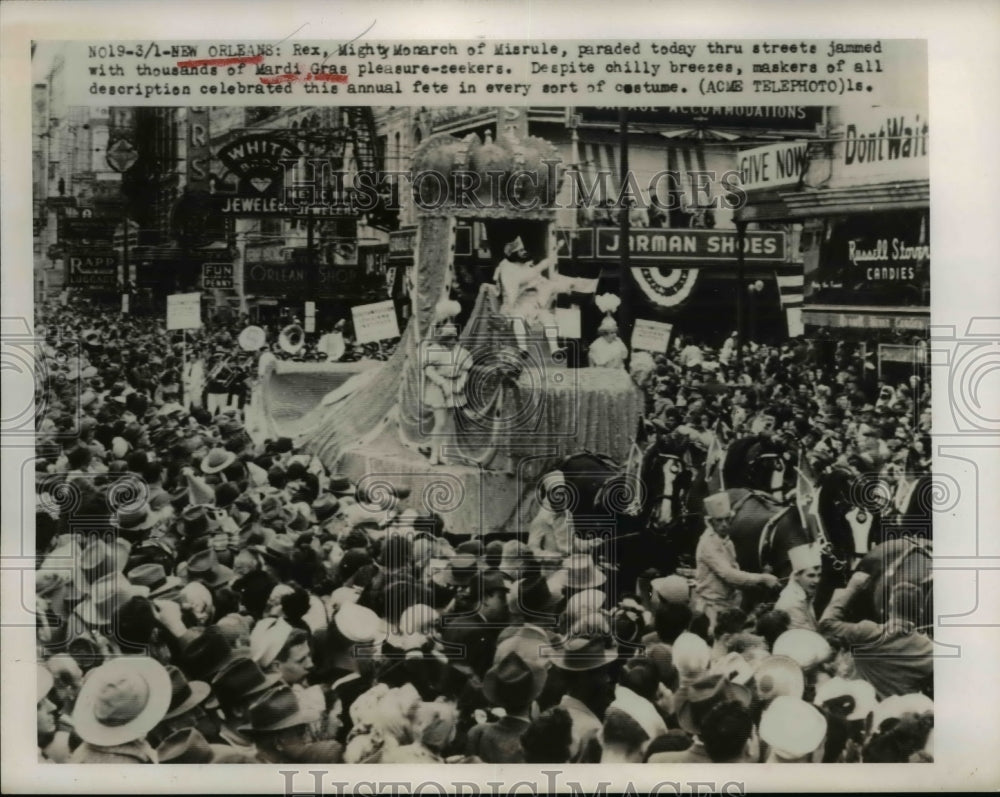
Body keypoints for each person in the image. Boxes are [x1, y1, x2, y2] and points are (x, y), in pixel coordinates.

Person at [692, 492, 779, 631]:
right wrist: (763, 578)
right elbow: (729, 575)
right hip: (712, 608)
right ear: (710, 521)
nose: (724, 524)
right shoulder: (707, 543)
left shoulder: (727, 541)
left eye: (727, 519)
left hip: (728, 605)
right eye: (719, 521)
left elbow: (735, 575)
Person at [493, 236, 565, 357]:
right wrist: (536, 271)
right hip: (515, 304)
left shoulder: (527, 266)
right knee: (518, 318)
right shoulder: (507, 267)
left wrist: (563, 287)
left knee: (548, 318)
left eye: (523, 250)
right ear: (515, 253)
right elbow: (519, 282)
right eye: (520, 251)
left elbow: (543, 281)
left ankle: (554, 349)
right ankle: (523, 349)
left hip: (533, 304)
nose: (524, 252)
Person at [421, 302, 472, 466]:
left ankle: (443, 454)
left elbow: (465, 370)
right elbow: (428, 370)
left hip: (454, 387)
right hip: (439, 389)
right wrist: (442, 383)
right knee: (440, 422)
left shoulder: (460, 352)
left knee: (449, 424)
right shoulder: (435, 350)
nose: (451, 341)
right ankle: (434, 453)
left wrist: (460, 384)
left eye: (453, 338)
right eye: (447, 338)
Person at [774, 543, 822, 631]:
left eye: (819, 575)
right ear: (796, 576)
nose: (817, 580)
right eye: (811, 576)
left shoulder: (805, 595)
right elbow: (806, 636)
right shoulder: (791, 603)